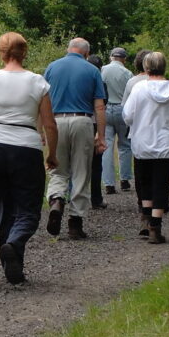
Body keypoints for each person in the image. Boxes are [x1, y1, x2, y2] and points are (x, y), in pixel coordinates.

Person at [0, 32, 57, 284]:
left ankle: (12, 265)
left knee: (4, 207)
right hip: (27, 146)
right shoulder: (37, 82)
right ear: (24, 52)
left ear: (1, 53)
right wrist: (52, 154)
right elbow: (50, 124)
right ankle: (15, 244)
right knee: (29, 210)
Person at [121, 52, 169, 244]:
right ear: (164, 67)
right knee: (161, 184)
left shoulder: (139, 88)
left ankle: (145, 217)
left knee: (144, 182)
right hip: (166, 143)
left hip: (142, 142)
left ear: (146, 68)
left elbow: (127, 116)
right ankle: (155, 227)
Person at [41, 38, 106, 240]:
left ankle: (56, 201)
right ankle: (75, 223)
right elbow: (99, 107)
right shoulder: (92, 71)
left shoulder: (52, 67)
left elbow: (42, 100)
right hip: (82, 121)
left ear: (68, 50)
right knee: (81, 172)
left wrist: (40, 130)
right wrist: (101, 136)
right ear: (86, 54)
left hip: (56, 122)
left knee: (57, 169)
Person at [100, 47, 134, 196]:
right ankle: (124, 179)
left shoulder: (102, 70)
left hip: (105, 109)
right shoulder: (127, 73)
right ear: (124, 59)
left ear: (111, 57)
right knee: (125, 145)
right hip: (122, 109)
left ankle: (109, 183)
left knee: (107, 146)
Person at [85, 53, 107, 210]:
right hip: (94, 123)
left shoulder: (79, 80)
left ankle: (73, 196)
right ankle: (96, 198)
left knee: (76, 162)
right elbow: (102, 106)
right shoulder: (101, 83)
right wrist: (101, 133)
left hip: (81, 121)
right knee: (96, 164)